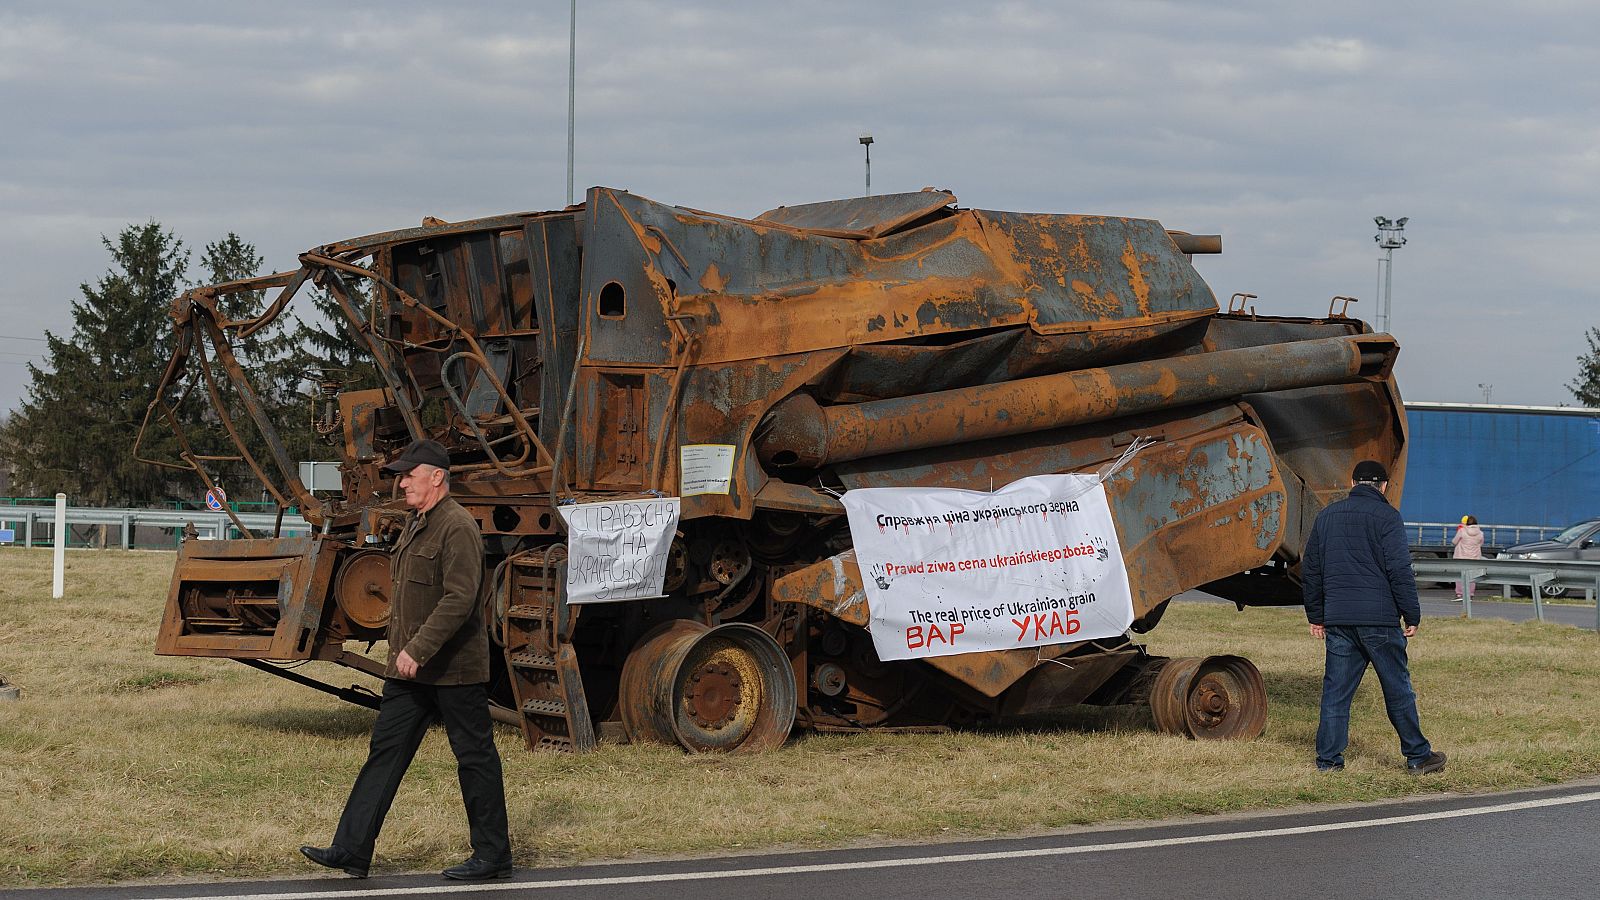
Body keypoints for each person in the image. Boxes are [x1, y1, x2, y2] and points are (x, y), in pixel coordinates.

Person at [300, 439, 513, 881]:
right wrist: (403, 651)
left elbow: (460, 599)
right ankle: (351, 850)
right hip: (409, 670)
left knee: (474, 757)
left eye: (409, 475)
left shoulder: (457, 526)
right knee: (385, 753)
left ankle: (493, 855)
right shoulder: (418, 523)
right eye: (401, 476)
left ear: (436, 477)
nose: (401, 483)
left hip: (452, 669)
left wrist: (419, 647)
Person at [1301, 459, 1447, 775]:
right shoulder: (1388, 517)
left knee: (1336, 694)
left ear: (1352, 484)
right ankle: (1418, 756)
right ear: (1383, 486)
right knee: (1397, 690)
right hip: (1379, 620)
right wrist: (1411, 614)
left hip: (1340, 620)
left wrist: (1316, 615)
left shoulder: (1326, 516)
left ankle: (1328, 762)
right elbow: (1399, 570)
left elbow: (1311, 570)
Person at [1451, 514, 1484, 601]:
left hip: (1461, 557)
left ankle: (1460, 594)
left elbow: (1454, 542)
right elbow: (1480, 544)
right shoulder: (1480, 533)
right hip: (1474, 558)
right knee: (1472, 576)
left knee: (1460, 576)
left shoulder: (1462, 531)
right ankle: (1470, 594)